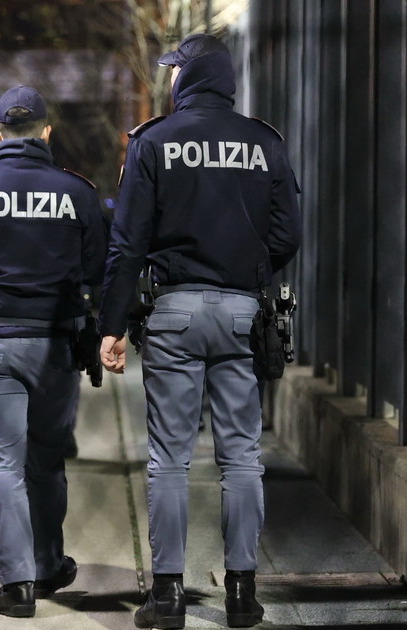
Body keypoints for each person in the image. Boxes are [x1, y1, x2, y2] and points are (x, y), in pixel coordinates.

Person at [98, 34, 302, 629]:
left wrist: (111, 325)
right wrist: (247, 271)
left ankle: (167, 595)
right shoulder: (264, 142)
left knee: (169, 457)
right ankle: (240, 593)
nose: (167, 80)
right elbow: (288, 235)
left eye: (172, 72)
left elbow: (127, 243)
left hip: (174, 312)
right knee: (241, 456)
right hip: (242, 312)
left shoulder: (153, 142)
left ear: (188, 78)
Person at [0, 86, 108, 618]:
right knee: (46, 459)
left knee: (4, 464)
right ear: (47, 132)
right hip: (56, 345)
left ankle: (16, 584)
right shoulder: (77, 193)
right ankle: (48, 566)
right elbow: (98, 273)